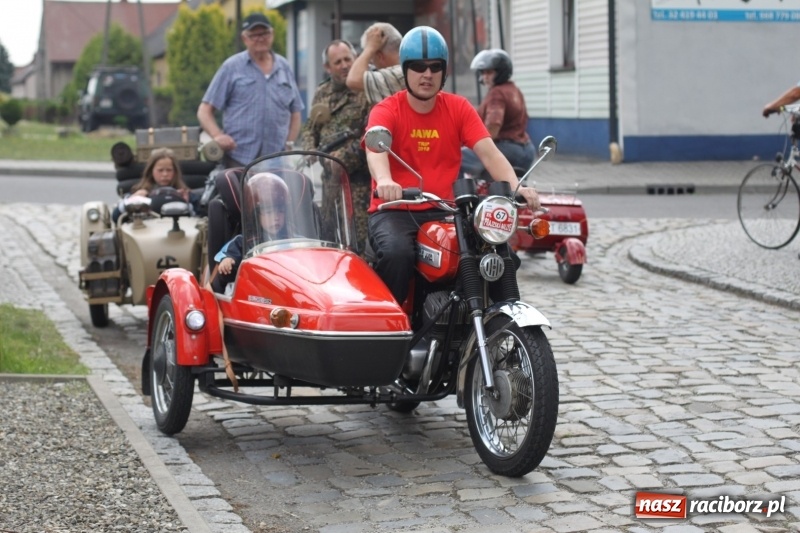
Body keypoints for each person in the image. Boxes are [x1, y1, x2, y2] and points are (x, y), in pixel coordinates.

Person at [366, 26, 541, 305]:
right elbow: (375, 149)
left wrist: (517, 185)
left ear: (444, 71)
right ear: (405, 70)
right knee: (397, 254)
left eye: (435, 67)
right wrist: (385, 180)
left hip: (445, 210)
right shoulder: (387, 109)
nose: (427, 74)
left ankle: (496, 321)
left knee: (499, 253)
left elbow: (489, 153)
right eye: (419, 67)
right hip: (395, 210)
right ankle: (392, 331)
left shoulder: (458, 108)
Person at [197, 13, 304, 168]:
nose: (260, 38)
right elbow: (204, 110)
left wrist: (289, 144)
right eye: (254, 35)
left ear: (272, 34)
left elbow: (296, 112)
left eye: (264, 33)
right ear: (244, 39)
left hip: (276, 161)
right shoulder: (232, 66)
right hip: (238, 159)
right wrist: (218, 136)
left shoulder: (284, 67)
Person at [300, 40, 372, 254]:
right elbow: (310, 127)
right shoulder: (322, 92)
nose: (344, 65)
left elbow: (372, 136)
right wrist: (309, 147)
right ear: (327, 67)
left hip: (360, 184)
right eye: (337, 62)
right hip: (329, 185)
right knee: (329, 243)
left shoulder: (367, 89)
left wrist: (342, 158)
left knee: (360, 246)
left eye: (348, 59)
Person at [460, 49, 535, 179]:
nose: (485, 76)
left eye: (489, 72)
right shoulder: (514, 90)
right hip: (526, 150)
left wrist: (475, 144)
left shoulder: (497, 93)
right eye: (483, 72)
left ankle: (457, 196)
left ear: (501, 73)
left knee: (456, 158)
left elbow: (493, 125)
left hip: (507, 149)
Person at [213, 172, 290, 292]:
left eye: (280, 211)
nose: (276, 217)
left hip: (286, 286)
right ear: (256, 215)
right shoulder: (243, 241)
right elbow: (225, 255)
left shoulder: (292, 239)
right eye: (269, 212)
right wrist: (226, 260)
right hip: (254, 290)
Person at [112, 148, 196, 223]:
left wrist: (187, 202)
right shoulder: (141, 193)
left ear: (175, 172)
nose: (165, 174)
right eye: (160, 170)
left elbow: (201, 218)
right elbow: (115, 217)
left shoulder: (185, 193)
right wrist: (133, 199)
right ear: (151, 171)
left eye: (169, 170)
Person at [345, 22, 404, 106]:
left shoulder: (396, 74)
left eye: (372, 60)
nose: (372, 65)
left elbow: (353, 80)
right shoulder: (409, 67)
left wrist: (370, 48)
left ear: (380, 56)